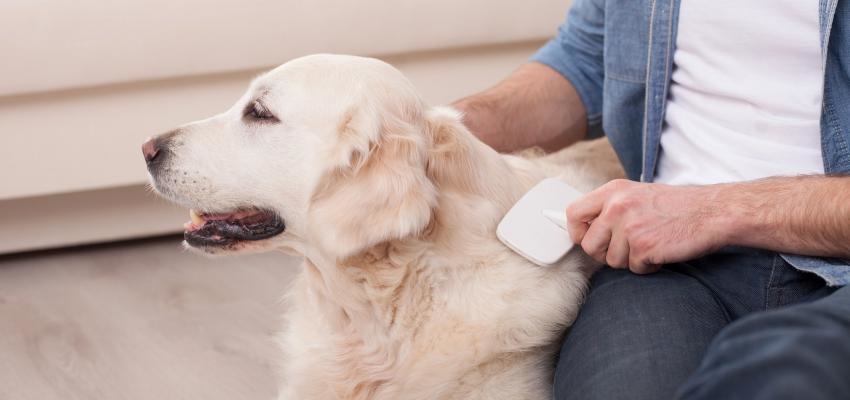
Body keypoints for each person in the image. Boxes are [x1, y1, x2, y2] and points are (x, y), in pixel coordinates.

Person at [452, 0, 850, 399]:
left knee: (792, 379)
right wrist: (442, 132)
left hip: (835, 267)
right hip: (665, 265)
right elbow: (586, 61)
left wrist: (711, 211)